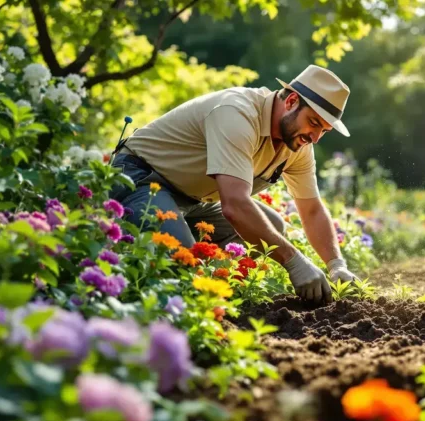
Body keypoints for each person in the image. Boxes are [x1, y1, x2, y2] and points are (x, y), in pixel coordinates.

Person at [108, 65, 359, 305]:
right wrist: (294, 262)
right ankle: (184, 291)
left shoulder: (298, 143)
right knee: (182, 260)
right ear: (291, 101)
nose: (315, 138)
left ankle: (220, 291)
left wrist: (337, 265)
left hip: (191, 200)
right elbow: (235, 206)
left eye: (324, 131)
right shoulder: (236, 113)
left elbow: (312, 209)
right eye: (314, 122)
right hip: (140, 179)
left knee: (273, 226)